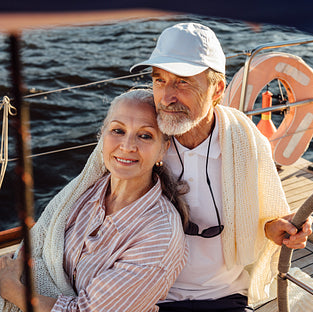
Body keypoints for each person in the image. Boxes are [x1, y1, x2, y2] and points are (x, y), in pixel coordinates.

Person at [130, 22, 313, 312]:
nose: (166, 97)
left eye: (182, 82)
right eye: (159, 80)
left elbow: (264, 219)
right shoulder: (137, 139)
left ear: (217, 90)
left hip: (224, 296)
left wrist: (275, 228)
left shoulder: (247, 144)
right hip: (148, 293)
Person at [0, 89, 188, 312]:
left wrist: (10, 288)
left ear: (162, 150)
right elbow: (41, 242)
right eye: (118, 130)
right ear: (102, 136)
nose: (127, 145)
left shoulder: (160, 235)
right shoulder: (86, 190)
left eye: (145, 135)